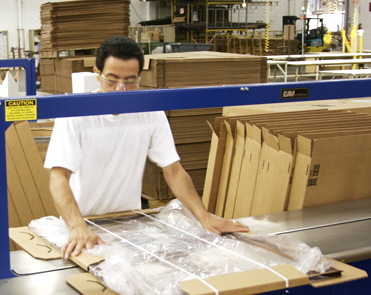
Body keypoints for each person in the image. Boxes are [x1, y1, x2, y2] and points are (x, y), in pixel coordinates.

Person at [45, 36, 249, 260]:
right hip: (84, 226)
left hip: (129, 223)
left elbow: (173, 170)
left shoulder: (150, 111)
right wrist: (77, 226)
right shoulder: (76, 114)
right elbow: (58, 178)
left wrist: (203, 216)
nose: (121, 89)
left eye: (130, 81)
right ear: (97, 73)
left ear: (140, 78)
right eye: (112, 80)